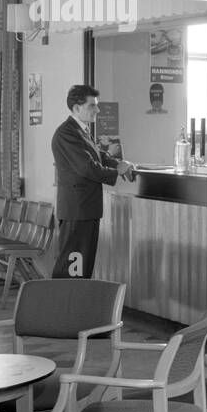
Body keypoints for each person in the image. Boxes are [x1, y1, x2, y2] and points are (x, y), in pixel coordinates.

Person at [52, 84, 136, 279]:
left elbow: (99, 156)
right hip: (77, 211)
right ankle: (61, 307)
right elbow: (86, 167)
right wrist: (116, 172)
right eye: (92, 106)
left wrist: (119, 163)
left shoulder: (82, 130)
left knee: (82, 266)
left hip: (86, 209)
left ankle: (77, 306)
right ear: (76, 108)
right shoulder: (66, 133)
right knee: (72, 267)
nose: (97, 110)